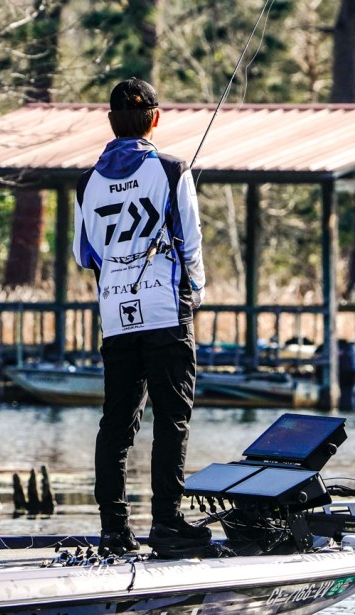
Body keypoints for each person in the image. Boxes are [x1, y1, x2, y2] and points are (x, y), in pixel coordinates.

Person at [73, 77, 210, 556]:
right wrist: (197, 292)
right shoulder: (172, 169)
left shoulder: (86, 182)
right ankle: (167, 523)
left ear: (111, 121)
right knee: (172, 418)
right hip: (165, 310)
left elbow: (83, 254)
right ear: (156, 119)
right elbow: (190, 241)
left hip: (116, 313)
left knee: (116, 422)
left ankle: (114, 529)